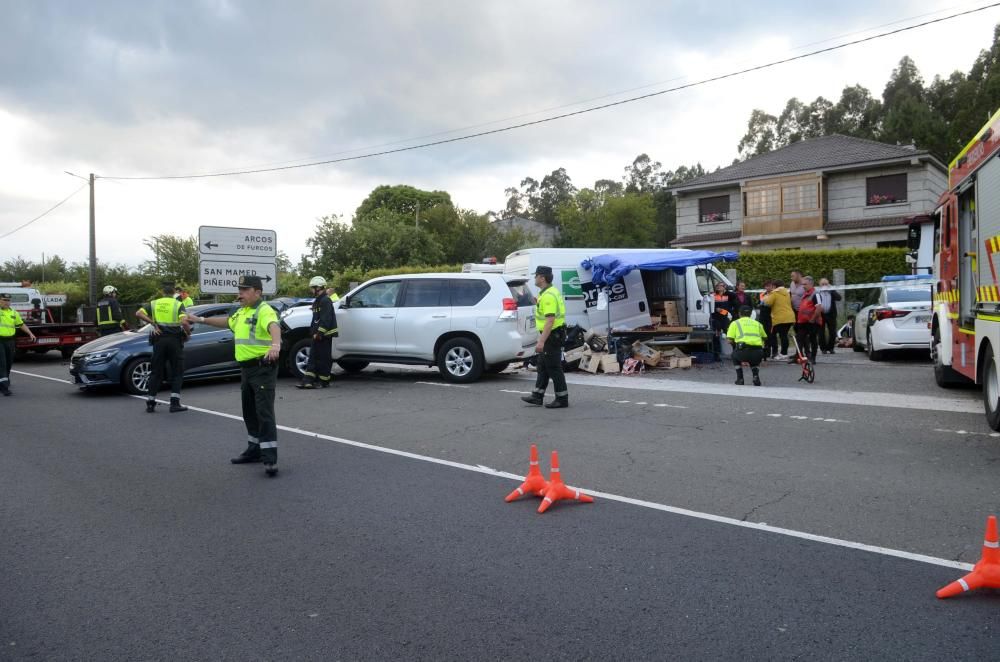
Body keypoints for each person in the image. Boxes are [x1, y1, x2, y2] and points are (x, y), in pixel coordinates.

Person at [187, 275, 282, 476]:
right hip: (246, 370)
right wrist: (200, 319)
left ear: (258, 292)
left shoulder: (264, 310)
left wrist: (276, 345)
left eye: (245, 290)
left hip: (262, 369)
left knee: (264, 413)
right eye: (239, 289)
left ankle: (270, 458)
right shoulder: (242, 311)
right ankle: (254, 451)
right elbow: (226, 322)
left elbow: (274, 326)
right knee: (249, 412)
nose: (240, 293)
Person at [136, 282, 191, 413]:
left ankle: (150, 402)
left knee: (156, 372)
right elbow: (184, 321)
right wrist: (188, 333)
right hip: (174, 341)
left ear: (162, 292)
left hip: (159, 340)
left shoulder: (154, 303)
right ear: (174, 293)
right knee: (177, 371)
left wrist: (153, 323)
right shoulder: (177, 304)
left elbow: (138, 313)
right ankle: (174, 403)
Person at [521, 266, 568, 408]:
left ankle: (562, 399)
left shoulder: (548, 296)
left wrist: (541, 341)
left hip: (552, 335)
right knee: (542, 366)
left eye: (536, 276)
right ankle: (537, 396)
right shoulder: (548, 292)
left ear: (542, 278)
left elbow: (550, 320)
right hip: (553, 334)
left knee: (554, 367)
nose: (534, 278)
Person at [297, 276, 337, 389]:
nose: (311, 290)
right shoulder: (318, 300)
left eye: (312, 288)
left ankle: (324, 381)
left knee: (323, 358)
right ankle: (308, 380)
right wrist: (313, 332)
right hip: (317, 335)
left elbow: (326, 319)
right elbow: (316, 319)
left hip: (324, 335)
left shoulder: (325, 300)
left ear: (318, 288)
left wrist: (319, 333)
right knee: (313, 357)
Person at [0, 293, 37, 396]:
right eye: (4, 300)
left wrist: (30, 333)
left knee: (8, 362)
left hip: (10, 341)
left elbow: (21, 324)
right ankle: (4, 387)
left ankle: (4, 380)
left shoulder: (13, 312)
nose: (7, 302)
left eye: (8, 300)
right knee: (2, 363)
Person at [727, 305, 767, 386]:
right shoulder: (758, 324)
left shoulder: (735, 323)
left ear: (739, 313)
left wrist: (736, 345)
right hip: (758, 352)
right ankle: (756, 377)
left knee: (734, 355)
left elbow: (729, 340)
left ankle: (740, 379)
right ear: (750, 314)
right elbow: (764, 337)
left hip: (742, 352)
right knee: (754, 361)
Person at [762, 278, 794, 360]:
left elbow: (768, 303)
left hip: (780, 318)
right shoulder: (787, 292)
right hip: (790, 317)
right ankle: (784, 352)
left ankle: (782, 353)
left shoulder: (774, 293)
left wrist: (765, 298)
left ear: (774, 286)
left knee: (773, 334)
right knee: (784, 335)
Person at [795, 276, 822, 363]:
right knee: (799, 338)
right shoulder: (805, 294)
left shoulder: (816, 294)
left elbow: (819, 308)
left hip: (812, 322)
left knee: (813, 339)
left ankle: (813, 358)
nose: (803, 286)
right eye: (802, 284)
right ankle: (800, 357)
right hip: (803, 322)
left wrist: (813, 319)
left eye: (805, 284)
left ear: (811, 284)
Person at [817, 277, 842, 354]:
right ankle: (823, 348)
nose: (824, 285)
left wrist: (831, 289)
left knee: (832, 332)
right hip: (821, 314)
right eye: (823, 284)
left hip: (831, 314)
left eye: (826, 284)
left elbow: (839, 298)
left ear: (829, 284)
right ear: (820, 285)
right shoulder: (817, 292)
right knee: (821, 332)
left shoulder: (831, 291)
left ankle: (831, 348)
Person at [711, 281, 732, 359]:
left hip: (724, 318)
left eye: (721, 285)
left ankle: (735, 353)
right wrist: (716, 309)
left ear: (724, 287)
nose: (719, 287)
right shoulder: (712, 295)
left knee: (730, 334)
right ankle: (716, 355)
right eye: (718, 285)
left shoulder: (727, 296)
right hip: (715, 318)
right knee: (716, 336)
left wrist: (722, 311)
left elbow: (729, 308)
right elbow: (709, 307)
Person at [757, 281, 775, 360]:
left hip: (771, 316)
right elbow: (758, 303)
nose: (768, 288)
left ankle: (769, 352)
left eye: (769, 286)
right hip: (762, 316)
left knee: (770, 334)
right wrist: (759, 304)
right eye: (766, 286)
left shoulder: (774, 294)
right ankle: (762, 352)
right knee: (762, 333)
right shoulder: (762, 294)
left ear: (772, 287)